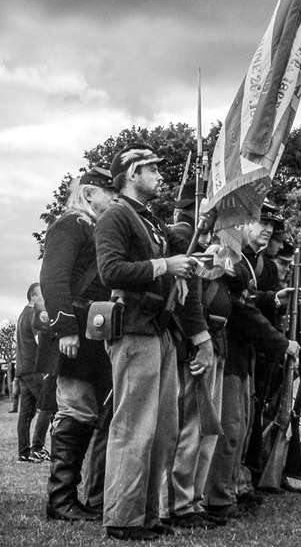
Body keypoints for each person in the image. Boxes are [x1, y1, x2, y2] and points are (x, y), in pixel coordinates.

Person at [95, 143, 214, 542]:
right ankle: (123, 517)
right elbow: (111, 271)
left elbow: (162, 273)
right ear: (132, 173)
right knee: (134, 427)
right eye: (153, 169)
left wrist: (187, 270)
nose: (160, 176)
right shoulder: (115, 216)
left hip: (159, 329)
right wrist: (166, 265)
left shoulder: (151, 222)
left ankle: (147, 514)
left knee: (163, 430)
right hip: (132, 329)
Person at [203, 202, 301, 519]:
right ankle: (218, 498)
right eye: (263, 225)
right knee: (229, 429)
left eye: (272, 229)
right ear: (244, 223)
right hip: (229, 352)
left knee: (241, 427)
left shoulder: (243, 260)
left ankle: (228, 491)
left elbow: (247, 303)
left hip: (241, 356)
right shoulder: (228, 255)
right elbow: (242, 311)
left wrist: (273, 299)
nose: (268, 232)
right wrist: (281, 343)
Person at [40, 167, 117, 521]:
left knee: (88, 413)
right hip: (76, 330)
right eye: (108, 192)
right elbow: (53, 277)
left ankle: (73, 498)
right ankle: (61, 501)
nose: (115, 198)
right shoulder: (71, 224)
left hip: (93, 331)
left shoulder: (96, 229)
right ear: (88, 194)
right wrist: (66, 327)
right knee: (75, 410)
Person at [160, 180, 230, 529]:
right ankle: (179, 505)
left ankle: (192, 501)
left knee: (203, 430)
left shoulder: (197, 240)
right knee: (189, 429)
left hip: (204, 341)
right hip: (190, 344)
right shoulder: (181, 236)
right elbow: (187, 300)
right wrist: (199, 340)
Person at [15, 282, 53, 462]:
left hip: (22, 369)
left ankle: (23, 451)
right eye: (41, 294)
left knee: (26, 413)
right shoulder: (35, 312)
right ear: (33, 296)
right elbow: (40, 339)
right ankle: (37, 447)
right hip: (35, 368)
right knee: (47, 407)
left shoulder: (22, 315)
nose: (44, 298)